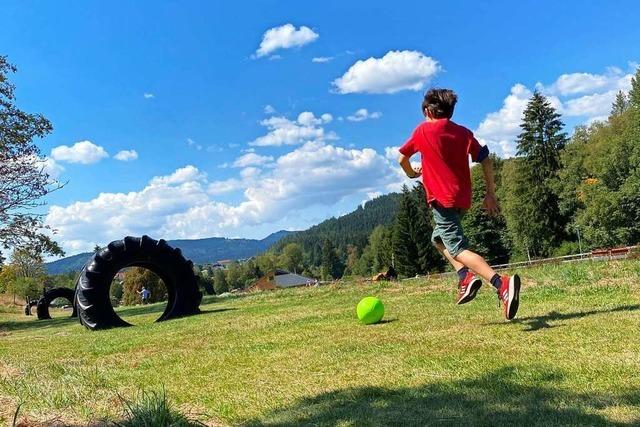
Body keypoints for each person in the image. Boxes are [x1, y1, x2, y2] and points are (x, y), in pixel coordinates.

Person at [398, 88, 521, 320]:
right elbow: (485, 157)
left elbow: (402, 158)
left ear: (427, 111)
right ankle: (465, 277)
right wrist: (490, 193)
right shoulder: (463, 133)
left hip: (441, 201)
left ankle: (501, 283)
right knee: (438, 239)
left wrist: (412, 174)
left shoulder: (422, 130)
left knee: (457, 248)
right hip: (462, 201)